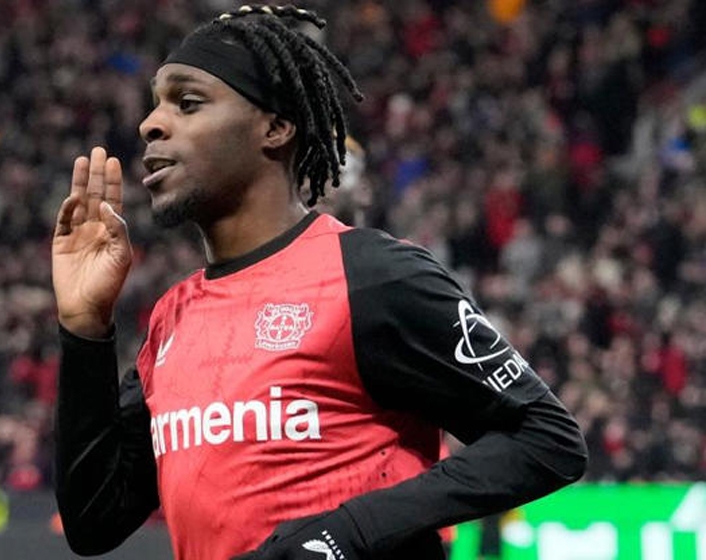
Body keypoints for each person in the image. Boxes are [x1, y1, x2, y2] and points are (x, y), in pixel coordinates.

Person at [51, 5, 587, 560]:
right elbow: (93, 520)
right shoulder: (172, 318)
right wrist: (84, 328)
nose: (150, 124)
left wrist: (346, 532)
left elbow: (546, 437)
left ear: (275, 127)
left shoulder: (373, 276)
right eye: (156, 104)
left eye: (187, 103)